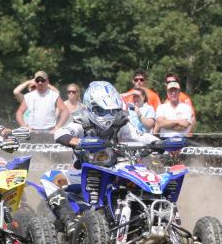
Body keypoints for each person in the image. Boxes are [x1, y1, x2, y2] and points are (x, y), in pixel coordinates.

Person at [49, 81, 158, 231]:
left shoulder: (120, 123)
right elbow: (60, 133)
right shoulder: (82, 122)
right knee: (49, 178)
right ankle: (69, 221)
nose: (109, 115)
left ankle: (147, 217)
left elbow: (140, 136)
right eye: (102, 111)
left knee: (141, 178)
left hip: (112, 171)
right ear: (91, 107)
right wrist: (78, 142)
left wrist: (158, 143)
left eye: (113, 111)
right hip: (81, 174)